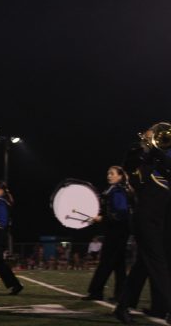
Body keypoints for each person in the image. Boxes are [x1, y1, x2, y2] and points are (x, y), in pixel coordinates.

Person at [114, 124, 171, 324]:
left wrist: (156, 150)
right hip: (145, 218)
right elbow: (128, 166)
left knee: (144, 264)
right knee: (157, 262)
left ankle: (124, 306)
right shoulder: (139, 156)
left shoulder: (163, 159)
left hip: (162, 218)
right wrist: (144, 146)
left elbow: (166, 164)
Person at [82, 166, 132, 302]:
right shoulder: (112, 190)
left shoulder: (118, 190)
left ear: (120, 176)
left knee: (106, 262)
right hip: (117, 230)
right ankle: (120, 295)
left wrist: (103, 218)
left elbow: (121, 212)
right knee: (119, 265)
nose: (109, 176)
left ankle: (96, 292)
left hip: (118, 231)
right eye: (108, 173)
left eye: (112, 173)